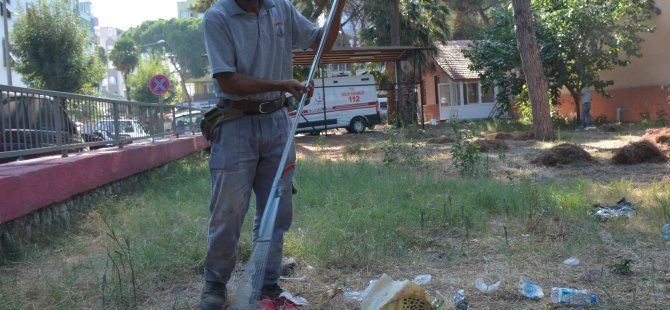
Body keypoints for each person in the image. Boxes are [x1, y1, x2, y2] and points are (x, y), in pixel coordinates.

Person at [200, 0, 345, 309]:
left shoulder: (280, 7)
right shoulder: (218, 17)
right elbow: (227, 79)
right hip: (235, 122)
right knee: (228, 209)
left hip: (278, 122)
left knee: (277, 208)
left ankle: (266, 281)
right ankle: (215, 283)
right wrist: (283, 83)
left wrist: (340, 5)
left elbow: (322, 43)